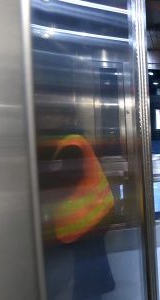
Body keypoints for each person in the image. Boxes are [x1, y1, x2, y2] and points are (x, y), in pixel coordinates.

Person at [37, 104, 116, 299]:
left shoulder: (72, 144)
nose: (46, 119)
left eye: (51, 114)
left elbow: (67, 179)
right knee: (92, 257)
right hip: (97, 211)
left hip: (89, 214)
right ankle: (97, 288)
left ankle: (90, 291)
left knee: (87, 263)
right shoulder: (70, 140)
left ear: (64, 118)